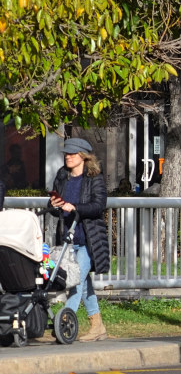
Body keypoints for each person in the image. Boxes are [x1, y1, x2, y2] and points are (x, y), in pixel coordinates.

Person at [48, 137, 111, 342]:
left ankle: (64, 324)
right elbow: (55, 209)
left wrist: (75, 207)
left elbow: (98, 206)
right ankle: (97, 326)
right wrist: (55, 204)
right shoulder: (62, 176)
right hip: (67, 238)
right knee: (83, 283)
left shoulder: (95, 178)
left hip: (88, 240)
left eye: (72, 154)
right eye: (66, 154)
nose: (68, 157)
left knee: (75, 282)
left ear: (83, 157)